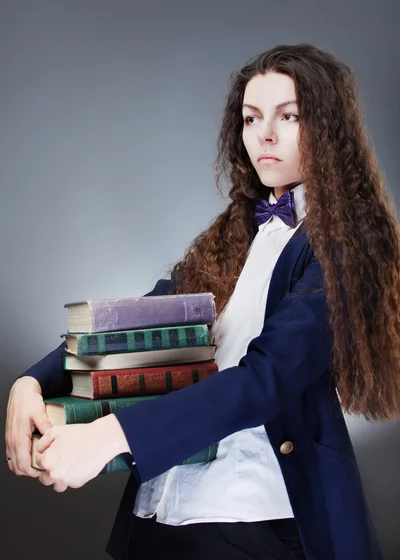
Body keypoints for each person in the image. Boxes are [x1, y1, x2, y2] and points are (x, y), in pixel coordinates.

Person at [6, 43, 400, 560]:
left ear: (329, 128)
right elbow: (132, 328)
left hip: (252, 518)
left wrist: (110, 436)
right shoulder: (233, 235)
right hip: (159, 511)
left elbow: (263, 381)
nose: (265, 134)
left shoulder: (341, 244)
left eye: (290, 116)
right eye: (252, 117)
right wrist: (32, 381)